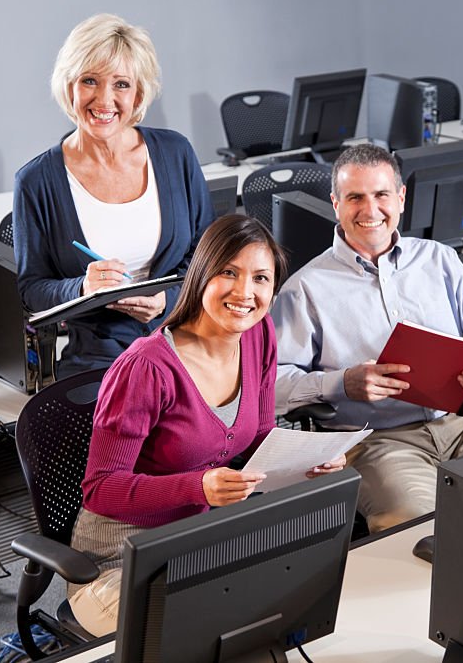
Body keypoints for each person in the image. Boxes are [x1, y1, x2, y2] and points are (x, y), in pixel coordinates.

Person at [67, 215, 345, 636]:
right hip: (118, 559)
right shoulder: (147, 367)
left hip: (198, 542)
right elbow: (100, 488)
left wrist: (309, 458)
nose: (244, 293)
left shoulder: (258, 334)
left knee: (289, 600)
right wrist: (197, 487)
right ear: (201, 275)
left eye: (260, 278)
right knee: (206, 629)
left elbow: (258, 437)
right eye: (228, 273)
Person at [273, 144, 463, 533]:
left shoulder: (438, 259)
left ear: (401, 198)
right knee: (414, 526)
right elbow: (271, 386)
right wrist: (341, 383)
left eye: (381, 195)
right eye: (355, 197)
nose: (370, 210)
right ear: (336, 204)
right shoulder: (304, 288)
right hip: (378, 442)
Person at [14, 14, 214, 377]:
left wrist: (166, 300)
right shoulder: (36, 181)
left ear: (138, 93)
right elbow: (33, 290)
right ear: (69, 86)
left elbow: (211, 255)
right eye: (89, 81)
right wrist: (84, 287)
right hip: (98, 359)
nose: (104, 99)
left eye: (121, 84)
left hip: (185, 339)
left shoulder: (175, 153)